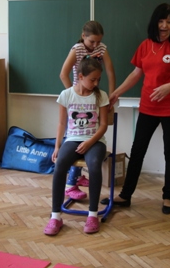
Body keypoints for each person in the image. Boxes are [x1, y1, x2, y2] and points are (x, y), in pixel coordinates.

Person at [102, 3, 170, 215]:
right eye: (161, 21)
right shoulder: (145, 45)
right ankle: (125, 195)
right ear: (155, 23)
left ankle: (168, 197)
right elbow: (136, 74)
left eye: (169, 22)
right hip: (148, 107)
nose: (165, 26)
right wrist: (117, 93)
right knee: (138, 151)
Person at [44, 56, 109, 236]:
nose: (96, 83)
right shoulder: (66, 95)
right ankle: (56, 216)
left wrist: (89, 142)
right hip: (72, 139)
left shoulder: (101, 96)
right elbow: (61, 124)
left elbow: (103, 125)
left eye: (98, 79)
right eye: (92, 79)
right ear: (80, 76)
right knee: (60, 165)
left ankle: (92, 215)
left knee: (94, 166)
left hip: (95, 141)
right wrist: (57, 146)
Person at [59, 20, 115, 201]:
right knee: (76, 137)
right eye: (92, 41)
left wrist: (112, 96)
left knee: (88, 136)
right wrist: (73, 96)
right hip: (79, 99)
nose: (95, 45)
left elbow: (110, 72)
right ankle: (70, 184)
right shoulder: (77, 49)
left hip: (94, 98)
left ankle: (77, 176)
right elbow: (63, 74)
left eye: (99, 41)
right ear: (83, 36)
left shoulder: (102, 48)